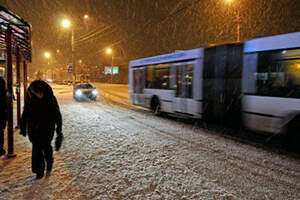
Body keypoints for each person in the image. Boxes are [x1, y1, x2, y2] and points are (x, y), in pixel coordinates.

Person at [20, 80, 63, 179]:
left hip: (47, 129)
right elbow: (25, 114)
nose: (40, 95)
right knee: (37, 150)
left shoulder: (51, 99)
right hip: (34, 130)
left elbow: (57, 115)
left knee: (47, 147)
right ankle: (39, 171)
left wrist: (59, 128)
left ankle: (49, 162)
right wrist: (23, 127)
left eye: (41, 93)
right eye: (37, 93)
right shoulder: (30, 100)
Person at [0, 77, 7, 157]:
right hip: (2, 115)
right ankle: (1, 148)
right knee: (1, 132)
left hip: (2, 115)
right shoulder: (4, 93)